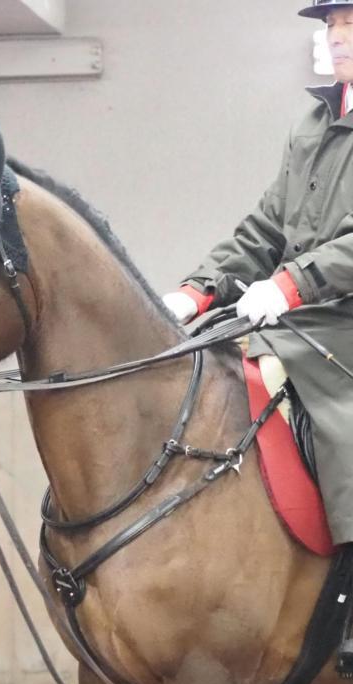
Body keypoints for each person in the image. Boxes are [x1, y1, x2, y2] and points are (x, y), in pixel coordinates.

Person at [162, 0, 353, 552]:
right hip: (305, 318)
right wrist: (196, 291)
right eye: (332, 24)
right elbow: (267, 226)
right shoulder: (313, 124)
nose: (337, 36)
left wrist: (291, 284)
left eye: (349, 23)